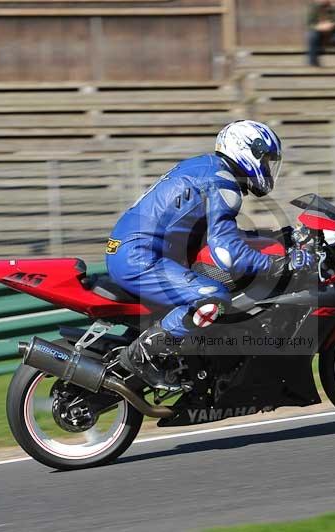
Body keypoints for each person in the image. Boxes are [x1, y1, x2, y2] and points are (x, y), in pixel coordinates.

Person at [105, 120, 314, 390]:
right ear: (246, 150)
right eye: (264, 160)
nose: (265, 168)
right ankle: (141, 355)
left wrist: (278, 237)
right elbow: (227, 252)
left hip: (135, 251)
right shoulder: (221, 182)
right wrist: (278, 264)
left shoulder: (206, 167)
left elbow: (220, 232)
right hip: (140, 257)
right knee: (212, 297)